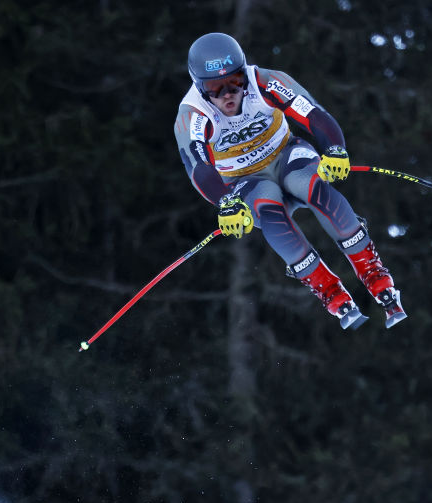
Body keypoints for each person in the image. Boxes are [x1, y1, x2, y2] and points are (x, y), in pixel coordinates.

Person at [173, 32, 406, 329]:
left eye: (235, 81)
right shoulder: (193, 113)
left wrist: (334, 149)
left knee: (309, 185)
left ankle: (375, 276)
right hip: (245, 178)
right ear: (199, 87)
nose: (228, 94)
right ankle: (329, 290)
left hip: (286, 154)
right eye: (215, 87)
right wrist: (225, 203)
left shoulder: (264, 81)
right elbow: (199, 167)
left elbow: (313, 114)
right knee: (269, 208)